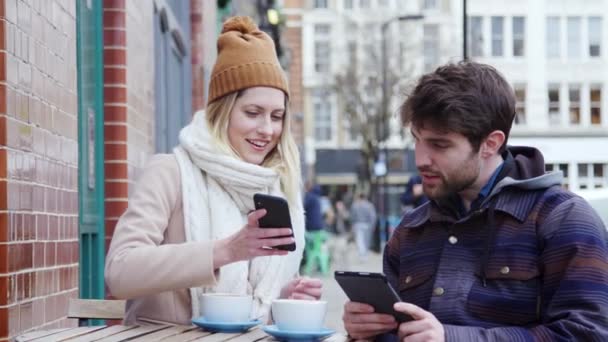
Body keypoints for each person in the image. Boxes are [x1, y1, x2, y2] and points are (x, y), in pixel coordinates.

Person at [342, 61, 608, 341]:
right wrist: (367, 331)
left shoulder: (563, 219)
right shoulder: (411, 229)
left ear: (491, 143)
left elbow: (587, 334)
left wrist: (453, 338)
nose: (420, 159)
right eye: (416, 140)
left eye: (440, 145)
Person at [105, 16, 322, 325]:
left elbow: (253, 307)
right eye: (252, 113)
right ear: (222, 112)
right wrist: (223, 251)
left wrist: (284, 297)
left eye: (277, 116)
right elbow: (120, 272)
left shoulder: (277, 188)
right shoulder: (170, 172)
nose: (267, 129)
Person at [349, 193, 377, 260]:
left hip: (357, 224)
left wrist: (352, 225)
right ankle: (365, 254)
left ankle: (362, 254)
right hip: (367, 225)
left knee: (359, 240)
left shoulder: (355, 205)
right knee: (366, 241)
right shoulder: (369, 205)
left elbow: (352, 216)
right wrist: (373, 225)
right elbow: (373, 216)